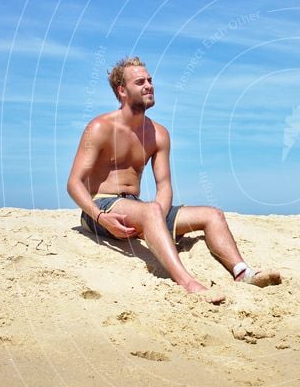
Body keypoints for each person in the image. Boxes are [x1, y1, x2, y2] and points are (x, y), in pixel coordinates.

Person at [67, 56, 281, 304]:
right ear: (122, 91)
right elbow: (74, 183)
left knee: (212, 215)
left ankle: (242, 272)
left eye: (150, 80)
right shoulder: (100, 127)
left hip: (137, 207)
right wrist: (100, 216)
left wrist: (158, 215)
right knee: (149, 212)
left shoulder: (158, 133)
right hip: (102, 208)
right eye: (140, 82)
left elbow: (164, 185)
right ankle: (188, 283)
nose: (149, 85)